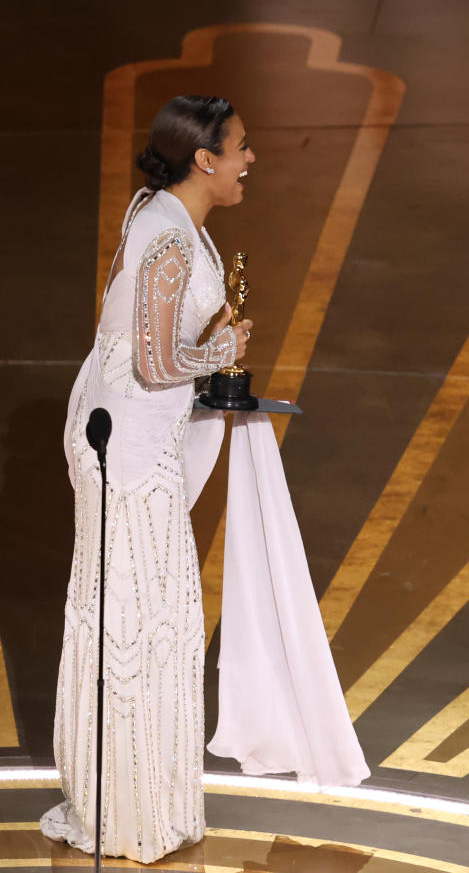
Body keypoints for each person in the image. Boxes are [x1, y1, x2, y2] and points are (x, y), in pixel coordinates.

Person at [41, 96, 254, 862]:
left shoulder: (169, 217)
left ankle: (142, 796)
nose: (248, 160)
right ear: (204, 159)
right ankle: (123, 806)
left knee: (150, 608)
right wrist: (222, 348)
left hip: (140, 435)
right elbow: (155, 361)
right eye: (239, 148)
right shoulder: (166, 234)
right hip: (122, 449)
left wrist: (206, 343)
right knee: (132, 612)